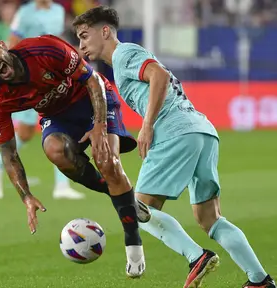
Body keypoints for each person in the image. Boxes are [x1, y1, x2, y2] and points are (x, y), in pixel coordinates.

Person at [72, 6, 275, 288]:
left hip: (174, 132)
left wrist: (148, 124)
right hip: (201, 131)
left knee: (137, 207)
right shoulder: (121, 62)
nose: (81, 44)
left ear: (105, 31)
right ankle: (260, 280)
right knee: (210, 218)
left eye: (84, 35)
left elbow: (159, 75)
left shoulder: (124, 53)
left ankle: (197, 257)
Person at [0, 27, 149, 277]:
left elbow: (91, 80)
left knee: (107, 161)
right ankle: (125, 198)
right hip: (58, 115)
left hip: (93, 99)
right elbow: (8, 152)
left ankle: (133, 245)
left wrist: (99, 126)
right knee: (54, 150)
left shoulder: (44, 49)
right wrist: (25, 196)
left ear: (2, 45)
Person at [0, 0, 84, 200]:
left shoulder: (59, 11)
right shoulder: (24, 14)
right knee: (26, 133)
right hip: (28, 78)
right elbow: (11, 43)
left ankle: (62, 185)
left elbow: (56, 38)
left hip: (51, 71)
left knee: (61, 120)